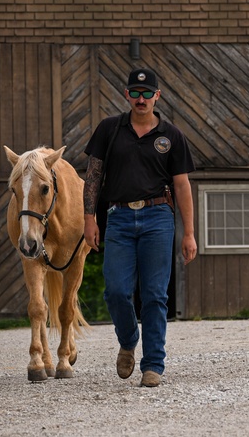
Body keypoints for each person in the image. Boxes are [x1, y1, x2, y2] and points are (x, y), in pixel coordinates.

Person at [83, 68, 197, 387]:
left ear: (157, 96)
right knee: (116, 291)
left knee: (154, 295)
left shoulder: (171, 135)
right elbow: (93, 176)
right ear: (127, 95)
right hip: (118, 218)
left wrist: (188, 233)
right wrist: (89, 219)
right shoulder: (109, 130)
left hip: (158, 217)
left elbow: (183, 186)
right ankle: (129, 338)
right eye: (136, 93)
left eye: (147, 94)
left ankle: (153, 365)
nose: (141, 99)